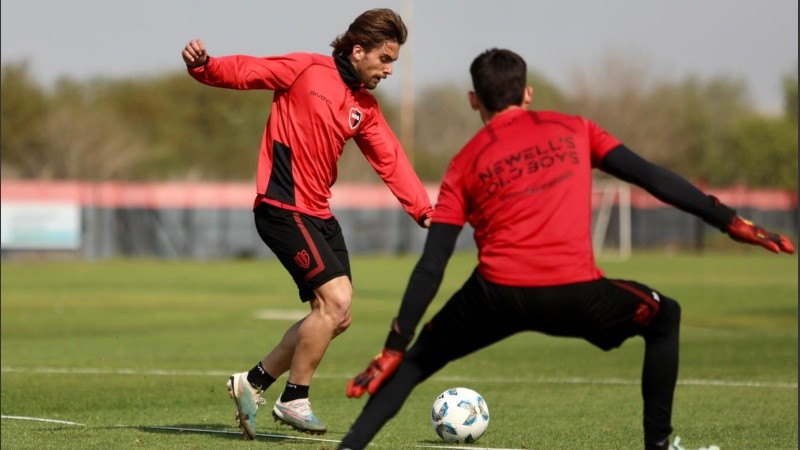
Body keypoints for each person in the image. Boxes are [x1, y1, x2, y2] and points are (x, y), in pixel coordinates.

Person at [338, 48, 794, 450]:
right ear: (528, 94)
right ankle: (658, 444)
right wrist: (727, 220)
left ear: (474, 100)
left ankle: (349, 447)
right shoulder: (575, 129)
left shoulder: (464, 163)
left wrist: (395, 345)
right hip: (577, 294)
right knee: (665, 316)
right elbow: (652, 177)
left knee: (417, 361)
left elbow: (432, 263)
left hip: (496, 296)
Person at [181, 8, 433, 439]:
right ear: (358, 51)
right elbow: (247, 71)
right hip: (281, 207)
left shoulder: (364, 108)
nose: (390, 69)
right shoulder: (306, 69)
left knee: (339, 314)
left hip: (318, 213)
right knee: (333, 301)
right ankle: (294, 398)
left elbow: (390, 158)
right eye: (385, 59)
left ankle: (253, 382)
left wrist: (424, 209)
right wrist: (205, 67)